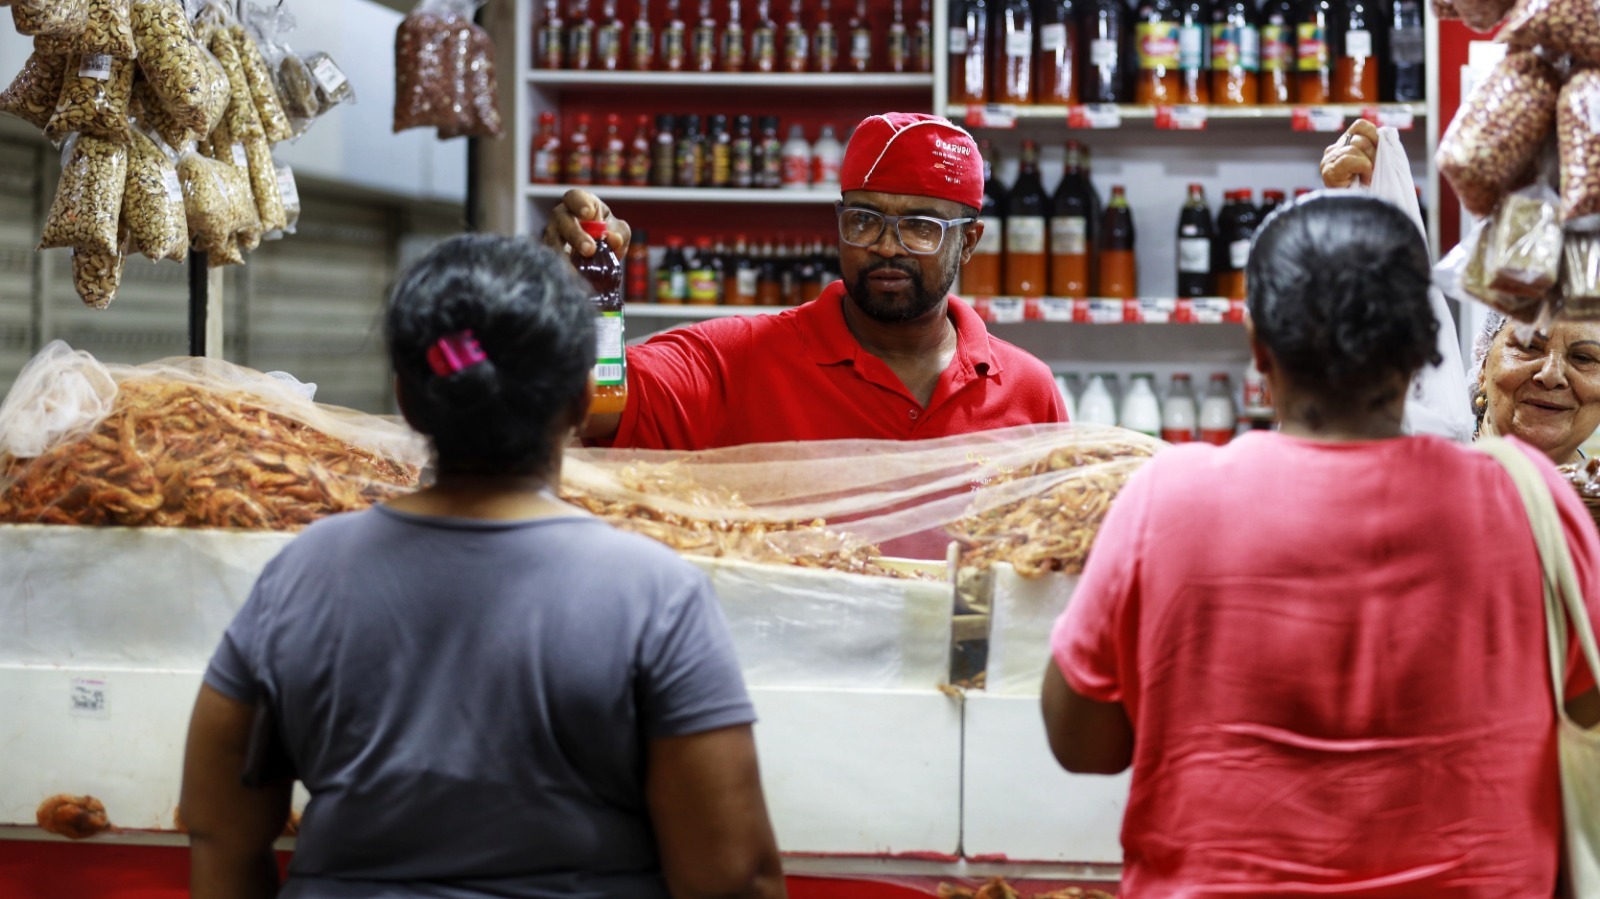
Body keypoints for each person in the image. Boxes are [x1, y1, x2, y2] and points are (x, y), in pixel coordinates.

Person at [179, 235, 785, 899]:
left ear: (407, 399)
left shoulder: (302, 574)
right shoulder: (653, 593)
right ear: (584, 398)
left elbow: (219, 833)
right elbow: (732, 877)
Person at [1041, 194, 1600, 896]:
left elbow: (1081, 742)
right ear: (1427, 346)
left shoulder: (1168, 499)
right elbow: (1584, 711)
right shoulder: (1531, 500)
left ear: (1258, 350)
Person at [545, 112, 1066, 451]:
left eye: (920, 226)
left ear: (969, 242)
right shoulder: (732, 361)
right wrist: (571, 303)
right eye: (863, 219)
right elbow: (583, 406)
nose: (886, 246)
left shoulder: (1028, 391)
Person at [1323, 120, 1600, 462]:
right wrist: (1342, 215)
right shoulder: (1421, 461)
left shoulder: (1592, 508)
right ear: (1482, 364)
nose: (1551, 375)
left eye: (1584, 358)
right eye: (1529, 346)